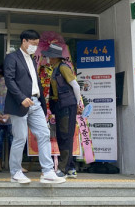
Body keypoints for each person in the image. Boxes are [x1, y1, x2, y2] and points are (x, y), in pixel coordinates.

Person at [4, 30, 66, 185]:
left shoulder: (32, 60)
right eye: (32, 44)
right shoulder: (12, 57)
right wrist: (21, 98)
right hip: (20, 103)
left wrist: (41, 101)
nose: (34, 47)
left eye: (37, 44)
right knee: (20, 137)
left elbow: (35, 82)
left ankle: (48, 172)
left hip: (35, 103)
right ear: (24, 41)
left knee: (44, 134)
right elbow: (9, 80)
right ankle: (15, 172)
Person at [46, 43, 83, 178]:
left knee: (65, 136)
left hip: (67, 105)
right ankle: (71, 167)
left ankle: (63, 168)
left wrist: (78, 103)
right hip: (61, 105)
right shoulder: (56, 68)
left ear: (55, 57)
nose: (48, 59)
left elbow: (75, 86)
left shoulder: (62, 67)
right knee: (63, 136)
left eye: (50, 56)